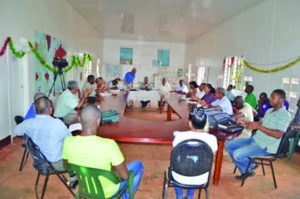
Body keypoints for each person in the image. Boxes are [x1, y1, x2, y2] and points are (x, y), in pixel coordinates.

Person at [63, 104, 144, 199]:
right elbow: (125, 176)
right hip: (108, 192)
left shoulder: (68, 142)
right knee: (138, 165)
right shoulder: (109, 145)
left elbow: (68, 168)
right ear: (98, 121)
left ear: (79, 120)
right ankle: (126, 197)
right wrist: (114, 175)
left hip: (85, 188)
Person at [225, 89, 291, 180]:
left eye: (273, 97)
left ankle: (251, 166)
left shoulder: (285, 115)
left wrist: (259, 127)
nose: (270, 99)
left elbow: (278, 134)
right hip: (255, 139)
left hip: (266, 146)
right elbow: (259, 123)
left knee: (237, 154)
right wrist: (246, 122)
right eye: (270, 96)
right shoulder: (269, 111)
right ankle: (247, 170)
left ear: (281, 100)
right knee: (228, 145)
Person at [15, 96, 76, 184]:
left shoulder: (28, 123)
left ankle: (73, 176)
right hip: (55, 164)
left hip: (39, 162)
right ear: (51, 110)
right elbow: (70, 139)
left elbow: (17, 131)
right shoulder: (57, 124)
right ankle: (74, 178)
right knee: (78, 153)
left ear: (35, 110)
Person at [172, 106, 218, 199]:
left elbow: (175, 158)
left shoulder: (179, 136)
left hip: (179, 176)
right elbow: (211, 159)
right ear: (205, 124)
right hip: (201, 177)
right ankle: (189, 196)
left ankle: (179, 196)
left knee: (177, 166)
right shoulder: (212, 139)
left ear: (190, 123)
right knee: (196, 165)